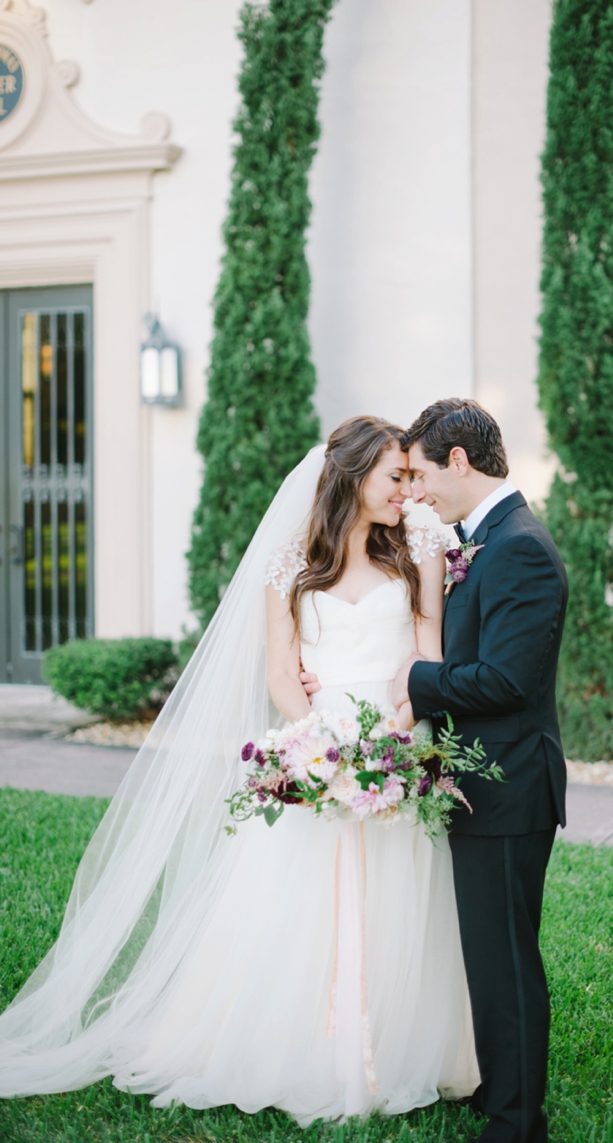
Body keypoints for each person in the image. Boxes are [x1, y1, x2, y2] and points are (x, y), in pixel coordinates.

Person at [0, 416, 478, 1124]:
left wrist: (390, 739)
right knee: (300, 901)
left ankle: (393, 1046)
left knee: (397, 896)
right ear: (351, 477)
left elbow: (428, 653)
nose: (408, 489)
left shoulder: (418, 552)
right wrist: (319, 741)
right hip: (315, 748)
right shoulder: (290, 562)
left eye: (412, 476)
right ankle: (294, 1044)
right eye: (395, 476)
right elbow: (281, 670)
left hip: (398, 739)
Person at [390, 399, 568, 1143]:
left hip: (508, 785)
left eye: (423, 472)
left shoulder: (519, 546)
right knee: (490, 953)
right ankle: (502, 1086)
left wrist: (418, 679)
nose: (419, 489)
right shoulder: (487, 538)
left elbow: (505, 681)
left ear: (458, 461)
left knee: (506, 963)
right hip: (485, 783)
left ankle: (515, 1122)